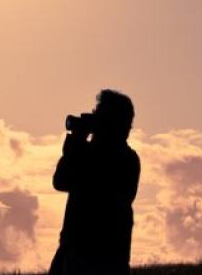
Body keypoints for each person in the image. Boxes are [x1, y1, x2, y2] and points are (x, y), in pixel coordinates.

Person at [49, 89, 140, 275]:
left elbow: (75, 182)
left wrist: (78, 144)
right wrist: (77, 143)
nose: (95, 121)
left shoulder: (124, 159)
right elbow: (60, 181)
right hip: (73, 253)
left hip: (102, 258)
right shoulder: (91, 153)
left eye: (100, 116)